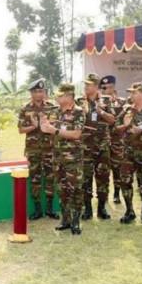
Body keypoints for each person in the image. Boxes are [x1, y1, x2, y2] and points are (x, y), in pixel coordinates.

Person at [40, 83, 85, 235]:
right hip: (57, 157)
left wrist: (55, 130)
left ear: (69, 96)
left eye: (60, 95)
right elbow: (46, 129)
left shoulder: (78, 112)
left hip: (73, 158)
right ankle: (65, 220)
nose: (57, 98)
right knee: (61, 189)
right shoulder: (55, 111)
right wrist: (43, 124)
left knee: (75, 190)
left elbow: (76, 134)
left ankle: (76, 221)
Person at [115, 82, 142, 224]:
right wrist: (126, 125)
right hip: (128, 153)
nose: (131, 95)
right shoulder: (127, 109)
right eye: (131, 93)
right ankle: (129, 211)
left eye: (134, 92)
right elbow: (116, 128)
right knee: (125, 181)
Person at [18, 78, 59, 220]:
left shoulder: (52, 107)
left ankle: (49, 209)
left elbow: (57, 126)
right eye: (36, 91)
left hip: (49, 149)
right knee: (35, 179)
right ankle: (37, 210)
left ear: (44, 92)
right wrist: (34, 127)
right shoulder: (25, 109)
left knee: (50, 178)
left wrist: (48, 125)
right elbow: (21, 129)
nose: (39, 94)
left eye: (41, 91)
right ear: (31, 93)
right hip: (33, 150)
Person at [77, 74, 116, 220]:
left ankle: (101, 208)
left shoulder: (106, 100)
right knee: (86, 178)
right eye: (85, 85)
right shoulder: (79, 101)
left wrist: (101, 111)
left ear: (96, 86)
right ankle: (87, 209)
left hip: (102, 146)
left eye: (89, 85)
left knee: (103, 178)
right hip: (85, 146)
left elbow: (112, 120)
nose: (86, 87)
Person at [102, 75, 125, 204]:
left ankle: (117, 193)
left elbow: (117, 119)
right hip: (101, 141)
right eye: (104, 87)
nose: (107, 90)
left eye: (110, 87)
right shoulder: (98, 103)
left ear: (114, 87)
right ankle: (103, 195)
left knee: (117, 168)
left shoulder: (121, 102)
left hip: (117, 140)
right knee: (103, 169)